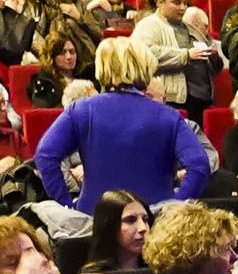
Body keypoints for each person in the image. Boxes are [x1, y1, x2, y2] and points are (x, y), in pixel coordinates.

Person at [35, 37, 211, 209]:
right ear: (145, 67)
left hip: (94, 219)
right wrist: (173, 207)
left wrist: (65, 203)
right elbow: (199, 165)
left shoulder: (80, 111)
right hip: (154, 221)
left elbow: (45, 156)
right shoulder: (169, 116)